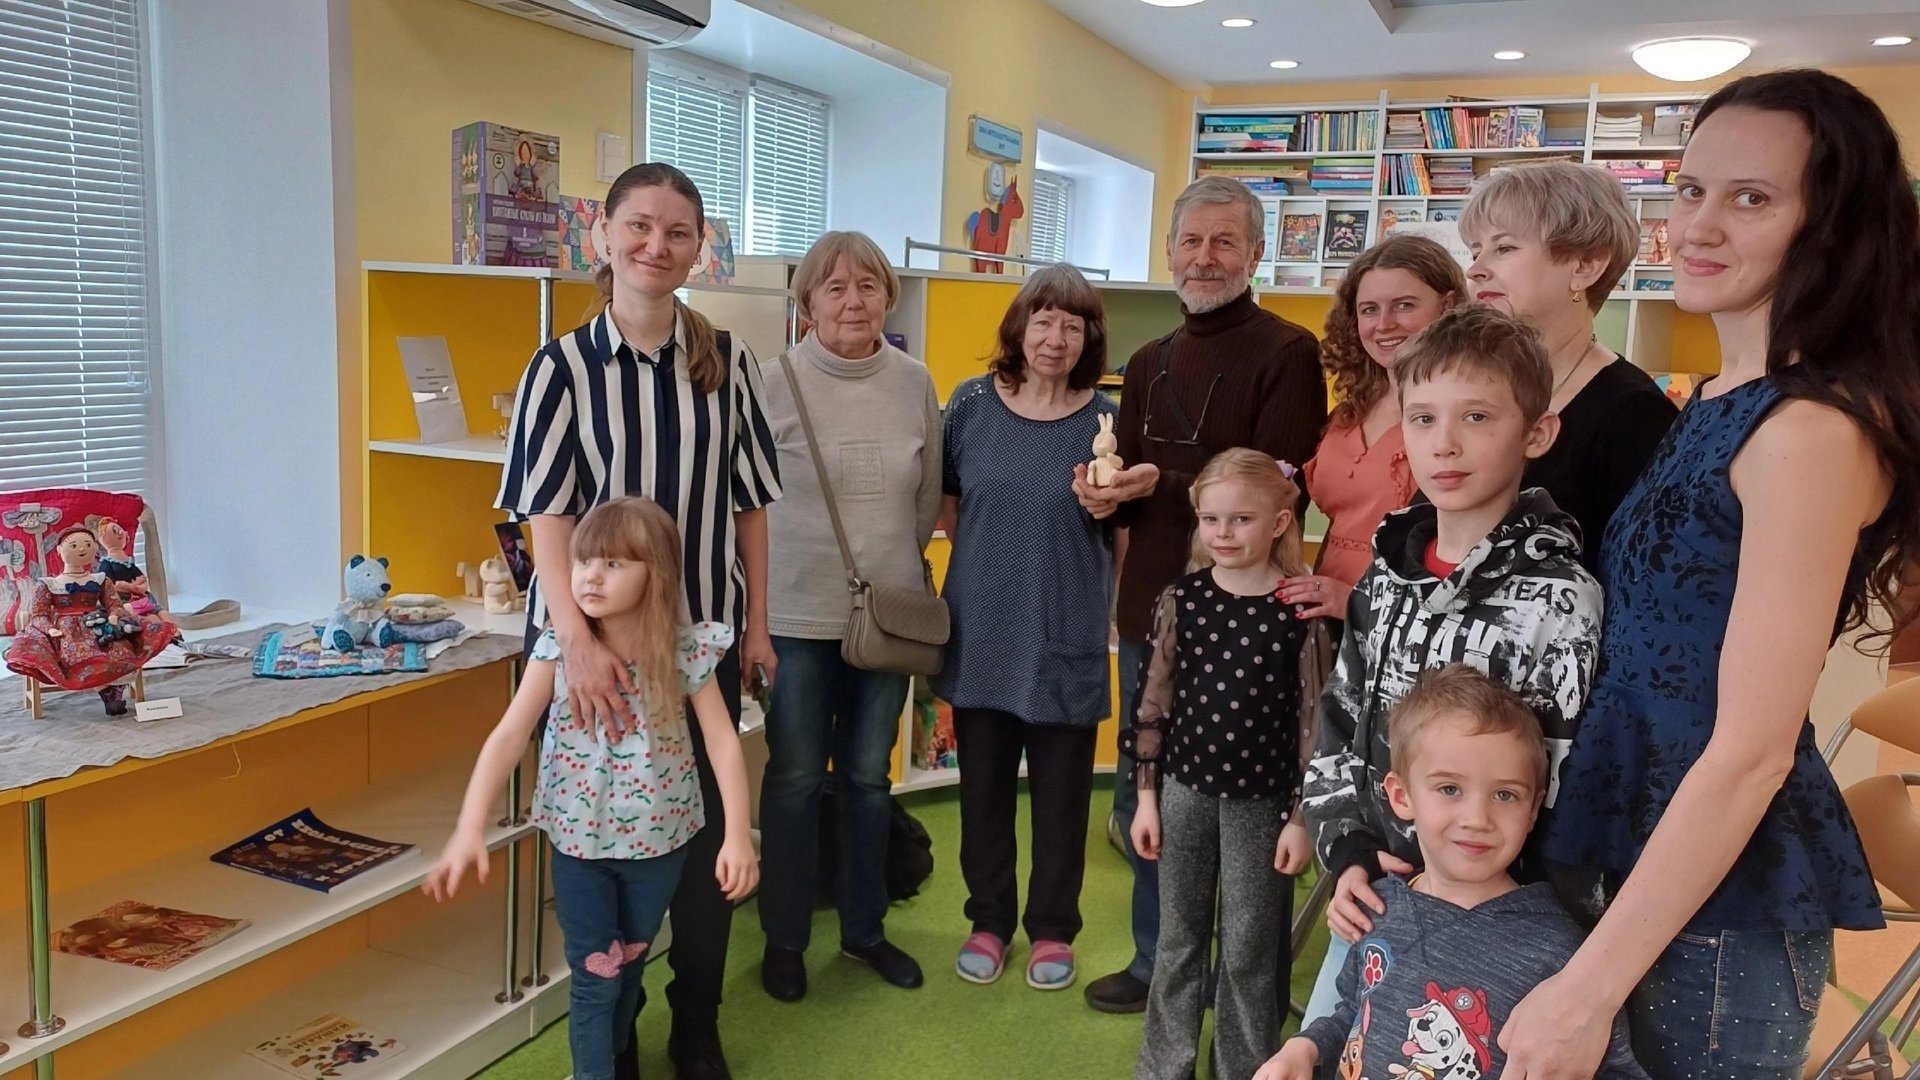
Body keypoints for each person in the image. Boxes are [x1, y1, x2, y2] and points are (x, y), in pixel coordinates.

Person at [1502, 69, 1920, 1080]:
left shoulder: (1808, 429)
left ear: (1832, 231)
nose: (1698, 225)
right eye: (1691, 189)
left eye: (1752, 197)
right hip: (1637, 854)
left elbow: (1751, 752)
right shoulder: (1724, 394)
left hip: (1717, 907)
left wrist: (1586, 989)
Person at [495, 162, 781, 1080]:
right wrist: (577, 644)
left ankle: (695, 1020)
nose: (657, 245)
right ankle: (612, 1030)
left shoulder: (726, 359)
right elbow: (546, 517)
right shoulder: (560, 368)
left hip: (698, 643)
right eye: (640, 226)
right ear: (603, 236)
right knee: (603, 840)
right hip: (593, 650)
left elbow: (750, 506)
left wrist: (758, 626)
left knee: (698, 844)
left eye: (678, 231)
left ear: (699, 250)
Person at [1301, 304, 1604, 1040]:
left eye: (1476, 417)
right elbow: (1340, 723)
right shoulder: (1385, 577)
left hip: (1493, 932)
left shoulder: (1562, 600)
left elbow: (1560, 783)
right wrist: (1347, 851)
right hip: (1378, 901)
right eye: (1424, 418)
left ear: (1537, 432)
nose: (1445, 443)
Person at [1075, 174, 1327, 1015]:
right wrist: (1108, 495)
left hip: (1255, 619)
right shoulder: (1149, 361)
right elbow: (1133, 493)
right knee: (1148, 787)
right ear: (1169, 251)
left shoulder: (1288, 353)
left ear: (1256, 253)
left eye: (1225, 241)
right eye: (1191, 240)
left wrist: (1166, 479)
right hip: (1158, 606)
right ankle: (1160, 965)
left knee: (1252, 806)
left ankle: (1248, 981)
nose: (1205, 257)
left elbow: (1283, 484)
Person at [423, 498, 758, 1080]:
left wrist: (736, 837)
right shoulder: (556, 647)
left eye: (614, 564)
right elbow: (509, 735)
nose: (591, 577)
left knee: (628, 966)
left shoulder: (687, 650)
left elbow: (723, 743)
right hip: (580, 847)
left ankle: (614, 1057)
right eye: (583, 562)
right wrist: (468, 827)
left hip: (660, 846)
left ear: (656, 573)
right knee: (595, 978)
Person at [1255, 666, 1645, 1080]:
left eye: (1505, 794)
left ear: (1534, 808)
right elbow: (1352, 1012)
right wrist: (1304, 1048)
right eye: (1449, 789)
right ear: (1401, 795)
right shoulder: (1378, 907)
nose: (1477, 818)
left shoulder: (1562, 953)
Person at [757, 231, 942, 1001]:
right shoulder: (771, 383)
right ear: (806, 302)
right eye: (834, 288)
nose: (853, 301)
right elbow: (747, 506)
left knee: (869, 778)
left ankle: (865, 930)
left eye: (868, 286)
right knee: (796, 779)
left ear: (887, 298)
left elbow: (926, 498)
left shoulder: (915, 382)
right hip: (796, 615)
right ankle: (785, 939)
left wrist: (892, 572)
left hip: (887, 621)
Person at [938, 265, 1116, 993]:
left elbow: (1119, 530)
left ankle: (1051, 930)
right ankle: (987, 921)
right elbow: (950, 504)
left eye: (1072, 325)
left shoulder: (1105, 422)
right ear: (1019, 327)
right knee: (981, 792)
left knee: (1062, 797)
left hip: (1065, 630)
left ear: (1089, 339)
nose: (1055, 338)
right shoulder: (971, 404)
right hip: (981, 629)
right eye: (1043, 320)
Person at [1128, 450, 1332, 1080]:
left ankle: (1245, 1069)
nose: (1222, 533)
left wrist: (1300, 818)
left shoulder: (1298, 613)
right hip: (1182, 794)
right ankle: (1165, 1067)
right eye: (1210, 519)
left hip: (1262, 808)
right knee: (1178, 940)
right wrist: (1146, 799)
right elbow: (1153, 702)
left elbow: (1315, 722)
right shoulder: (1182, 599)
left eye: (1241, 519)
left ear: (1279, 522)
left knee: (1248, 950)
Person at [1459, 161, 1678, 572]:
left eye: (1504, 248)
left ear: (1585, 266)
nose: (1476, 269)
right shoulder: (1472, 387)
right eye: (1475, 251)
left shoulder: (1633, 415)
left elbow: (1642, 577)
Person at [1279, 235, 1468, 625]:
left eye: (1404, 305)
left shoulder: (1465, 414)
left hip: (1406, 619)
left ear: (1447, 306)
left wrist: (1358, 601)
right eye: (1369, 310)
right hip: (1326, 618)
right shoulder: (1351, 410)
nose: (1384, 325)